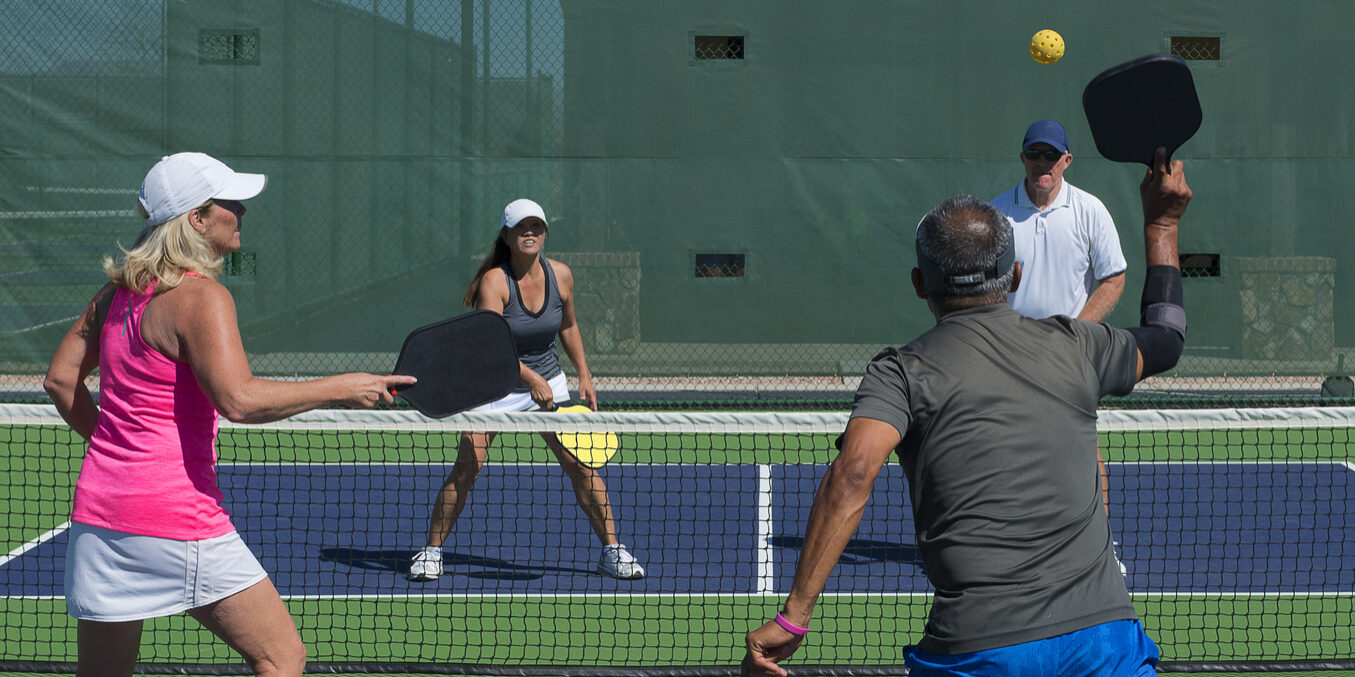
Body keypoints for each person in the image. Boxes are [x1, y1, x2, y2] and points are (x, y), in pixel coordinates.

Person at [742, 147, 1191, 677]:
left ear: (918, 284)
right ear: (1015, 274)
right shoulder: (1077, 345)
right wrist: (1161, 224)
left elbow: (854, 474)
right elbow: (1166, 336)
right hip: (1104, 644)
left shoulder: (900, 372)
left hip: (978, 649)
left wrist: (794, 619)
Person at [43, 152, 414, 677]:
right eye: (230, 203)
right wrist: (344, 387)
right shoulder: (202, 297)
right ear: (197, 218)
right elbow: (237, 399)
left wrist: (117, 447)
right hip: (177, 517)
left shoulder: (113, 296)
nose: (241, 211)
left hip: (98, 521)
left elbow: (60, 381)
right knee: (282, 658)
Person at [408, 198, 645, 582]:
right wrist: (528, 378)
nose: (529, 232)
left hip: (548, 383)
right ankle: (431, 552)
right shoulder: (494, 282)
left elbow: (568, 326)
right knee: (469, 465)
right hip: (494, 386)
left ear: (545, 232)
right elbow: (490, 346)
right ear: (507, 234)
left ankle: (611, 550)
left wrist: (583, 373)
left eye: (536, 226)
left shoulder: (562, 276)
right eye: (521, 227)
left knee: (581, 466)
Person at [991, 119, 1127, 322]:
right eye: (1033, 154)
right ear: (1023, 158)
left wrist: (1077, 333)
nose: (1042, 162)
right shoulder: (995, 214)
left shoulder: (1091, 211)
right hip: (1011, 346)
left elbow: (1113, 280)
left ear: (1067, 160)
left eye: (1052, 154)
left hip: (1070, 347)